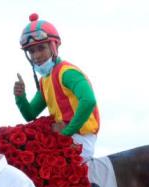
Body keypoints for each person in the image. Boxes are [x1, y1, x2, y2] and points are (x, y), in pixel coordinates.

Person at [13, 12, 100, 160]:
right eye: (32, 51)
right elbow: (30, 115)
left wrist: (66, 133)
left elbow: (89, 101)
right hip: (63, 135)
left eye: (41, 48)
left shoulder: (67, 72)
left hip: (81, 138)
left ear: (53, 47)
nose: (36, 56)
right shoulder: (45, 79)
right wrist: (20, 97)